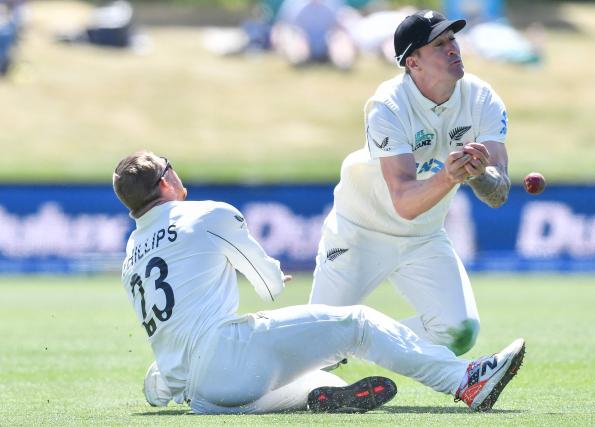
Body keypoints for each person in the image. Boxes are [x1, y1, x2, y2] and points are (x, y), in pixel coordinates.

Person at [112, 151, 524, 414]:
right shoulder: (206, 214)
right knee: (358, 323)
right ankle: (466, 381)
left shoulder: (131, 254)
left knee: (318, 379)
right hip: (227, 356)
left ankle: (318, 397)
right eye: (170, 165)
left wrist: (158, 388)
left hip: (202, 394)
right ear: (165, 181)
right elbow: (269, 286)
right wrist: (275, 276)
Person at [310, 10, 512, 357]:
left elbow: (499, 192)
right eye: (439, 44)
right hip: (360, 230)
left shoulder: (481, 97)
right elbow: (403, 201)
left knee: (459, 331)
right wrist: (450, 175)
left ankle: (356, 341)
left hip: (423, 237)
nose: (453, 49)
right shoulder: (388, 105)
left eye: (453, 40)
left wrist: (480, 173)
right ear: (413, 62)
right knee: (314, 349)